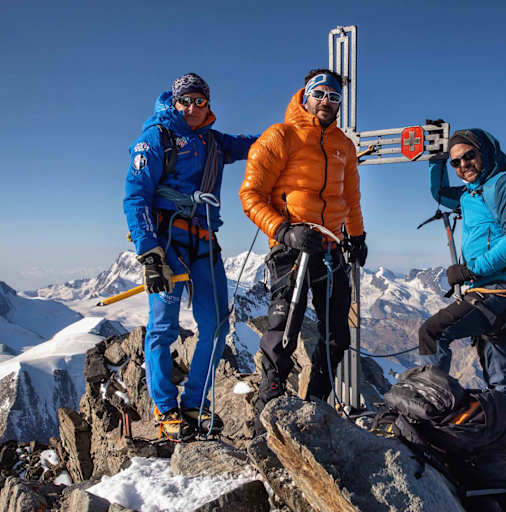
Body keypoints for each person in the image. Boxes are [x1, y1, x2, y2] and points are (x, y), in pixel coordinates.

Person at [124, 73, 259, 441]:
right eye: (185, 100)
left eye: (200, 101)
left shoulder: (214, 142)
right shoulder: (156, 137)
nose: (192, 108)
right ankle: (165, 408)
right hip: (167, 241)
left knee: (215, 326)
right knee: (163, 328)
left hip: (204, 241)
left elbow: (256, 144)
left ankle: (195, 403)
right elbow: (136, 196)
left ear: (208, 104)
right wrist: (149, 254)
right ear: (175, 102)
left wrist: (294, 132)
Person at [239, 68, 367, 420]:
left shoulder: (343, 146)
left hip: (330, 247)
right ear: (305, 96)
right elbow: (250, 195)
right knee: (284, 329)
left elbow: (351, 198)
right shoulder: (280, 136)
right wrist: (284, 231)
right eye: (320, 94)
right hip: (292, 247)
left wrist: (357, 236)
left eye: (334, 96)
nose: (327, 101)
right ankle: (268, 410)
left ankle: (315, 405)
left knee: (337, 334)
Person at [419, 129, 506, 405]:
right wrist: (437, 159)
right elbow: (439, 193)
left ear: (485, 152)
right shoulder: (469, 194)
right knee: (500, 378)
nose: (463, 165)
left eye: (469, 156)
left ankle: (430, 408)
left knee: (433, 332)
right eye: (455, 162)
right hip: (492, 288)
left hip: (502, 288)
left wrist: (471, 271)